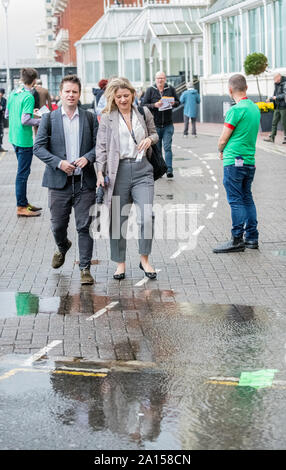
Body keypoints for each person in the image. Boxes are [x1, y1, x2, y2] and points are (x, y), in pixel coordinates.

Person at [33, 75, 98, 285]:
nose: (71, 95)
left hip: (84, 183)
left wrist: (88, 158)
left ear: (80, 94)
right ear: (60, 93)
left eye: (75, 92)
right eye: (67, 91)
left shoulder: (89, 117)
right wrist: (59, 163)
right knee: (58, 226)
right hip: (58, 182)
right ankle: (63, 246)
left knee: (84, 226)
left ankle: (85, 268)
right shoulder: (49, 119)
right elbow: (38, 148)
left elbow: (99, 146)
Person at [96, 77, 159, 280]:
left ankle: (144, 259)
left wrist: (149, 139)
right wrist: (99, 172)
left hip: (143, 170)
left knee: (147, 216)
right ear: (113, 97)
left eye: (126, 95)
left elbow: (155, 134)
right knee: (117, 220)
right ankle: (120, 263)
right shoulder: (107, 117)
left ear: (133, 94)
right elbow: (101, 148)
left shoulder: (143, 112)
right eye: (119, 96)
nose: (123, 100)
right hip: (118, 172)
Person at [213, 74, 261, 254]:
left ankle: (236, 239)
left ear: (230, 90)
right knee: (247, 197)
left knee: (235, 200)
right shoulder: (254, 108)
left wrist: (220, 149)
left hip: (233, 160)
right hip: (249, 160)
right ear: (246, 88)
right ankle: (252, 238)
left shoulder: (235, 110)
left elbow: (223, 138)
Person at [6, 68, 42, 217]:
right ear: (34, 80)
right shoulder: (28, 96)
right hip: (24, 140)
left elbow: (8, 114)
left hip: (14, 137)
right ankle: (21, 206)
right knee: (23, 174)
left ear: (22, 78)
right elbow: (25, 120)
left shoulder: (13, 93)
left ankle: (24, 202)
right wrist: (42, 119)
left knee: (22, 172)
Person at [142, 71, 179, 178]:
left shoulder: (170, 89)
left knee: (167, 147)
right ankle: (160, 169)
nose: (160, 80)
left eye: (162, 78)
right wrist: (155, 105)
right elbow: (144, 105)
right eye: (158, 78)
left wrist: (173, 103)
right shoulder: (150, 90)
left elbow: (178, 102)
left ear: (165, 79)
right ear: (155, 79)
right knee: (157, 149)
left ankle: (169, 169)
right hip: (155, 125)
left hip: (168, 124)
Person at [264, 72, 286, 144]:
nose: (274, 80)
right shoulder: (276, 84)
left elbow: (284, 95)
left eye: (275, 78)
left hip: (283, 106)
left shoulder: (284, 83)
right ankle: (272, 137)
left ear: (279, 77)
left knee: (284, 123)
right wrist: (270, 99)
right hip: (277, 106)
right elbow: (275, 94)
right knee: (274, 122)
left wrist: (276, 97)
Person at [0, 88, 7, 152]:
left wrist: (1, 108)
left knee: (1, 133)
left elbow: (5, 108)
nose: (1, 94)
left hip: (1, 119)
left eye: (2, 93)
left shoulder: (4, 100)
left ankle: (0, 146)